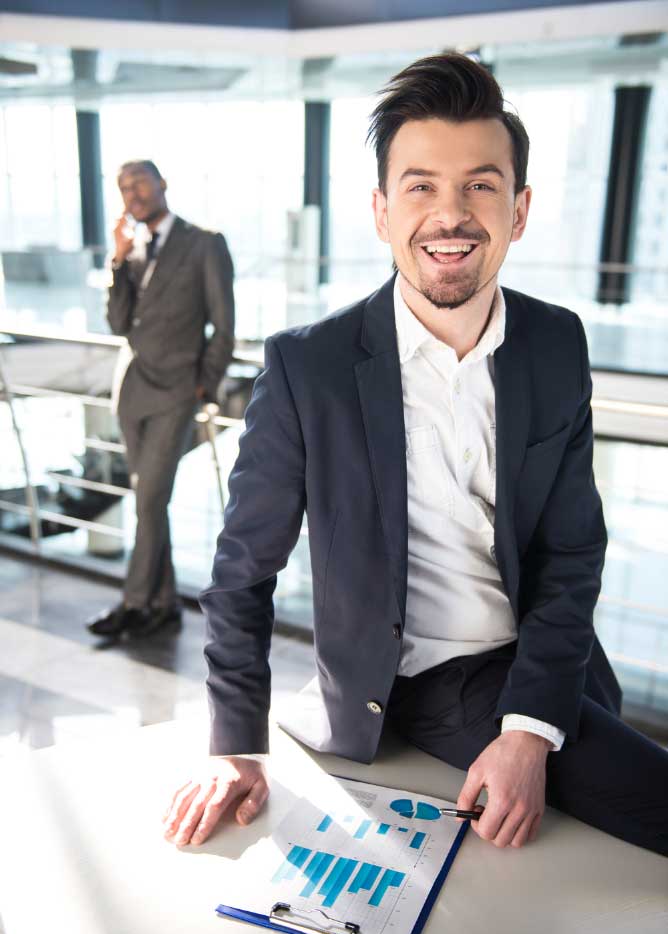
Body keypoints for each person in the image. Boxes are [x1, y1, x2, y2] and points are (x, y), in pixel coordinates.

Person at [162, 55, 667, 854]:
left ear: (520, 208)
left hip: (552, 659)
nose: (451, 213)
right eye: (422, 185)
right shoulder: (310, 367)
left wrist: (530, 729)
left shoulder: (556, 342)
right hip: (436, 684)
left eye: (480, 184)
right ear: (381, 209)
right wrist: (235, 744)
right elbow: (243, 573)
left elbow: (572, 550)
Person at [87, 160, 235, 639]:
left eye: (141, 183)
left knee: (149, 499)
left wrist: (201, 385)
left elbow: (223, 325)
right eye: (124, 187)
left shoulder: (204, 242)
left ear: (162, 184)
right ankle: (164, 603)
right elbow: (118, 323)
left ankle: (134, 604)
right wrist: (117, 260)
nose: (133, 193)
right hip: (132, 392)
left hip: (176, 392)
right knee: (150, 502)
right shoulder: (134, 250)